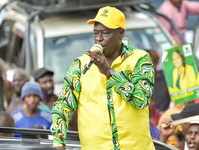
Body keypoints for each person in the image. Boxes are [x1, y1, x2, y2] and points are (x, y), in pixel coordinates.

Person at [51, 6, 155, 150]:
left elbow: (141, 99)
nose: (99, 39)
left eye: (105, 33)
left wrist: (108, 72)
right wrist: (59, 142)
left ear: (120, 33)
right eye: (96, 33)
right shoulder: (80, 65)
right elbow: (63, 106)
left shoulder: (140, 60)